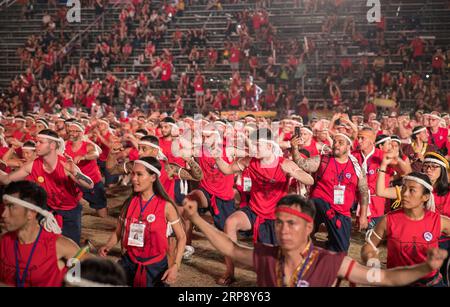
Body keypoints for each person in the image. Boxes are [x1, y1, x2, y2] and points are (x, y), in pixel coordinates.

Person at [182, 194, 448, 287]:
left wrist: (425, 269)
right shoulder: (266, 257)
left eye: (292, 224)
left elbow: (387, 278)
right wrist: (196, 220)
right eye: (280, 223)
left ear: (309, 227)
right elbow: (229, 246)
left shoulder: (332, 262)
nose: (283, 230)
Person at [213, 128, 314, 285]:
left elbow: (310, 180)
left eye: (257, 145)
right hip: (254, 210)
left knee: (272, 264)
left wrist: (294, 172)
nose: (254, 149)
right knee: (230, 223)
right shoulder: (250, 161)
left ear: (269, 146)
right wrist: (218, 158)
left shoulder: (284, 163)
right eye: (253, 145)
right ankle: (229, 272)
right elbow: (226, 170)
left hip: (275, 216)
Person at [99, 157, 186, 287]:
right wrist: (108, 246)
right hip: (129, 262)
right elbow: (118, 231)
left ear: (153, 177)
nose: (134, 178)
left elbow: (182, 237)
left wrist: (175, 266)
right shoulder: (129, 203)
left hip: (156, 268)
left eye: (139, 174)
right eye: (133, 173)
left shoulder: (166, 206)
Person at [0, 129, 94, 244]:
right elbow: (7, 179)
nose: (36, 145)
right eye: (36, 142)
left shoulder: (65, 165)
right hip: (48, 209)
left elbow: (90, 184)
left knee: (71, 248)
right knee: (46, 244)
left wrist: (75, 173)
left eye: (40, 142)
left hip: (70, 211)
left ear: (52, 145)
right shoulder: (33, 165)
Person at [370, 168, 450, 286]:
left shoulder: (438, 221)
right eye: (403, 189)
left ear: (425, 197)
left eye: (412, 190)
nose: (405, 194)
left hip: (431, 283)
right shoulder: (388, 220)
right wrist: (371, 260)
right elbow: (370, 246)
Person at [293, 133, 369, 252]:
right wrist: (294, 148)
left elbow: (364, 192)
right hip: (319, 204)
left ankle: (316, 248)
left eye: (340, 143)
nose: (336, 145)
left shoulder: (356, 167)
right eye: (334, 142)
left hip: (341, 211)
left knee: (341, 250)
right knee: (318, 203)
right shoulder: (323, 159)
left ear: (348, 146)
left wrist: (363, 215)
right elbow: (302, 164)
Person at [0, 181, 82, 287]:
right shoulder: (2, 242)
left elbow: (89, 277)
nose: (3, 214)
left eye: (11, 207)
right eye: (4, 207)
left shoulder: (62, 247)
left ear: (31, 213)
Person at [65, 121, 107, 218]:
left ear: (81, 133)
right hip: (74, 182)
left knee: (101, 210)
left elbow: (95, 153)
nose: (71, 133)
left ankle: (103, 226)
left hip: (93, 181)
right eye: (70, 131)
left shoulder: (88, 145)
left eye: (75, 131)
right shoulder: (65, 146)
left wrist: (84, 157)